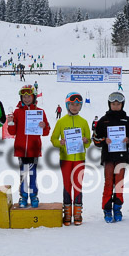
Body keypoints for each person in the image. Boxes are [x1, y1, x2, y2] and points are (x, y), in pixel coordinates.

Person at [92, 91, 129, 223]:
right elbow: (95, 140)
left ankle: (117, 208)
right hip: (108, 157)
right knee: (108, 183)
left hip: (121, 157)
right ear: (109, 104)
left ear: (122, 105)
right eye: (113, 104)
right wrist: (103, 140)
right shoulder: (103, 120)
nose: (116, 106)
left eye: (118, 104)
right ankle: (107, 209)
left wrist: (128, 140)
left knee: (119, 183)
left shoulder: (128, 121)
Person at [50, 92, 91, 226]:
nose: (75, 107)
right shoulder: (61, 121)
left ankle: (77, 212)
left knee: (77, 185)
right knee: (67, 184)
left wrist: (86, 140)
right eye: (72, 104)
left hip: (80, 158)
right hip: (65, 159)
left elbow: (89, 142)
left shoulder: (83, 122)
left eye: (78, 105)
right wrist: (59, 143)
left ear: (80, 107)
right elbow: (53, 139)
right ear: (67, 105)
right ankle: (67, 213)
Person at [7, 85, 51, 208]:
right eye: (24, 97)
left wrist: (44, 126)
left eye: (29, 96)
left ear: (34, 97)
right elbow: (12, 132)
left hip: (34, 148)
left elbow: (46, 132)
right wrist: (10, 122)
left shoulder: (40, 112)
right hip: (21, 149)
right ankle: (23, 196)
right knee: (23, 173)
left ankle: (33, 195)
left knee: (32, 173)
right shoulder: (17, 112)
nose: (26, 99)